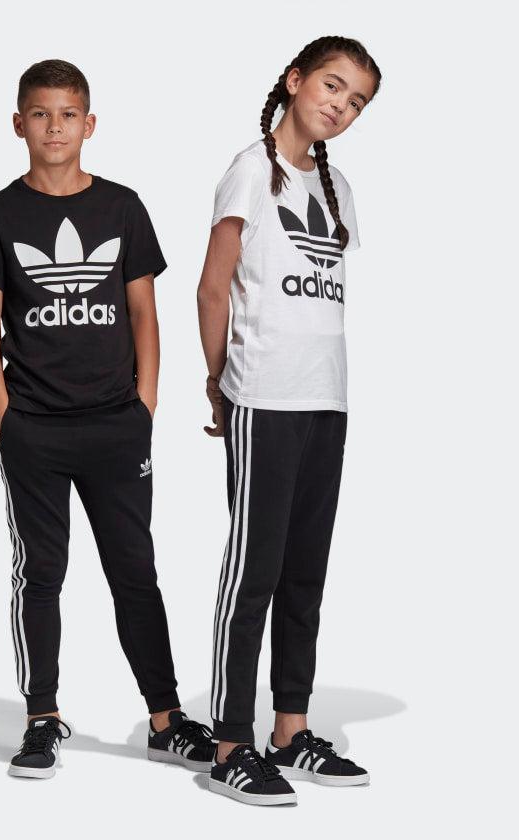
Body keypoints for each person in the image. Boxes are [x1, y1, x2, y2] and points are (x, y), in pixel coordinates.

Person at [0, 59, 214, 780]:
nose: (55, 127)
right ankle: (41, 717)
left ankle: (166, 719)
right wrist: (6, 420)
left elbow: (144, 313)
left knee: (135, 571)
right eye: (41, 114)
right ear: (19, 124)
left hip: (116, 424)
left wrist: (146, 403)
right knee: (41, 572)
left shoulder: (122, 207)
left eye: (68, 114)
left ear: (90, 124)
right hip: (34, 429)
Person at [197, 37, 382, 806]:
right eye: (333, 86)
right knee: (255, 573)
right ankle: (229, 744)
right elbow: (213, 288)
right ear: (296, 81)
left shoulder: (339, 191)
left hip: (325, 400)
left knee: (306, 571)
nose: (341, 105)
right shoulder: (250, 170)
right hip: (264, 397)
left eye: (357, 100)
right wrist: (220, 385)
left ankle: (290, 729)